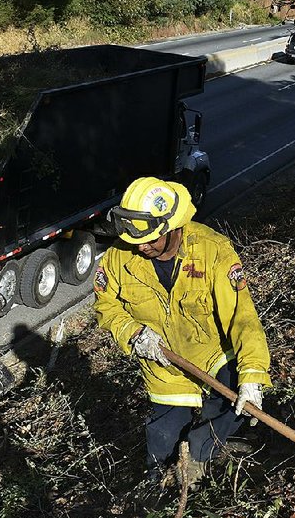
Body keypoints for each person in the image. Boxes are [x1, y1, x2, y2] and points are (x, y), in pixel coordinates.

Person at [93, 177, 272, 489]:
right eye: (135, 239)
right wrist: (134, 333)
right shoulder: (119, 258)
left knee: (225, 420)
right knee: (161, 443)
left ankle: (201, 460)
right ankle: (156, 490)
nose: (140, 246)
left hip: (213, 357)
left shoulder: (213, 251)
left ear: (172, 227)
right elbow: (105, 305)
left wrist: (253, 375)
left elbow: (242, 318)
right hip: (165, 368)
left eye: (149, 239)